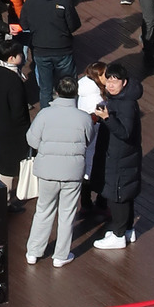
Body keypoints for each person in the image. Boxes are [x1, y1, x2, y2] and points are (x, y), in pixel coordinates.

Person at [24, 74, 90, 268]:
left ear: (57, 92)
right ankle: (61, 255)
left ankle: (33, 252)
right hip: (72, 172)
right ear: (75, 93)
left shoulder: (45, 114)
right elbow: (88, 139)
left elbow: (32, 140)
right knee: (67, 213)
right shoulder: (84, 118)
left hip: (47, 171)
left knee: (43, 210)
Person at [92, 64, 142, 250]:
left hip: (119, 157)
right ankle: (127, 230)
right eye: (109, 80)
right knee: (125, 194)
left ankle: (119, 235)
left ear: (124, 82)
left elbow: (125, 132)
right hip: (123, 156)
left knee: (117, 195)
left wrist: (107, 119)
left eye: (115, 81)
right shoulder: (121, 99)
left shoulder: (125, 104)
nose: (111, 85)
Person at [21, 0, 79, 109]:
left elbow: (25, 24)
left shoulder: (30, 1)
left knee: (45, 89)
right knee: (68, 85)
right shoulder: (64, 1)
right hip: (62, 49)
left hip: (40, 50)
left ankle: (46, 115)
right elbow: (74, 25)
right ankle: (69, 112)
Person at [0, 42, 30, 205]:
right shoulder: (13, 80)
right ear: (12, 58)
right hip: (11, 130)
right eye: (20, 54)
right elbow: (18, 111)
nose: (23, 56)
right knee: (8, 168)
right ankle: (4, 203)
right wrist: (26, 129)